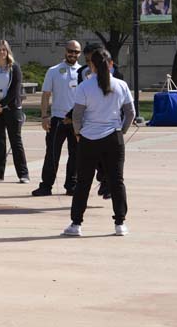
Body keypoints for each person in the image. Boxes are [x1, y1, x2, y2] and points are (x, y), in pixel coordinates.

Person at [62, 48, 135, 237]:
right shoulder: (121, 85)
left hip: (89, 138)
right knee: (117, 181)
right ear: (111, 64)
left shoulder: (85, 86)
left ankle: (76, 224)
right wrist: (122, 130)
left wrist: (78, 133)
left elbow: (77, 115)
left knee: (83, 182)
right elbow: (131, 113)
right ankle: (120, 223)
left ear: (91, 65)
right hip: (113, 136)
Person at [32, 40, 81, 197]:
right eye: (70, 51)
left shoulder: (83, 72)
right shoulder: (53, 71)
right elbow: (46, 94)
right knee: (52, 154)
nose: (73, 54)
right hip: (58, 119)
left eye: (76, 52)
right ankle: (46, 186)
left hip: (76, 121)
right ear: (65, 51)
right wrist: (44, 116)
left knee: (76, 155)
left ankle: (71, 186)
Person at [0, 40, 29, 184]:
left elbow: (15, 91)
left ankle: (23, 174)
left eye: (4, 49)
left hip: (11, 110)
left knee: (16, 142)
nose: (2, 52)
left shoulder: (14, 68)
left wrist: (1, 105)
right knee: (0, 142)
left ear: (8, 51)